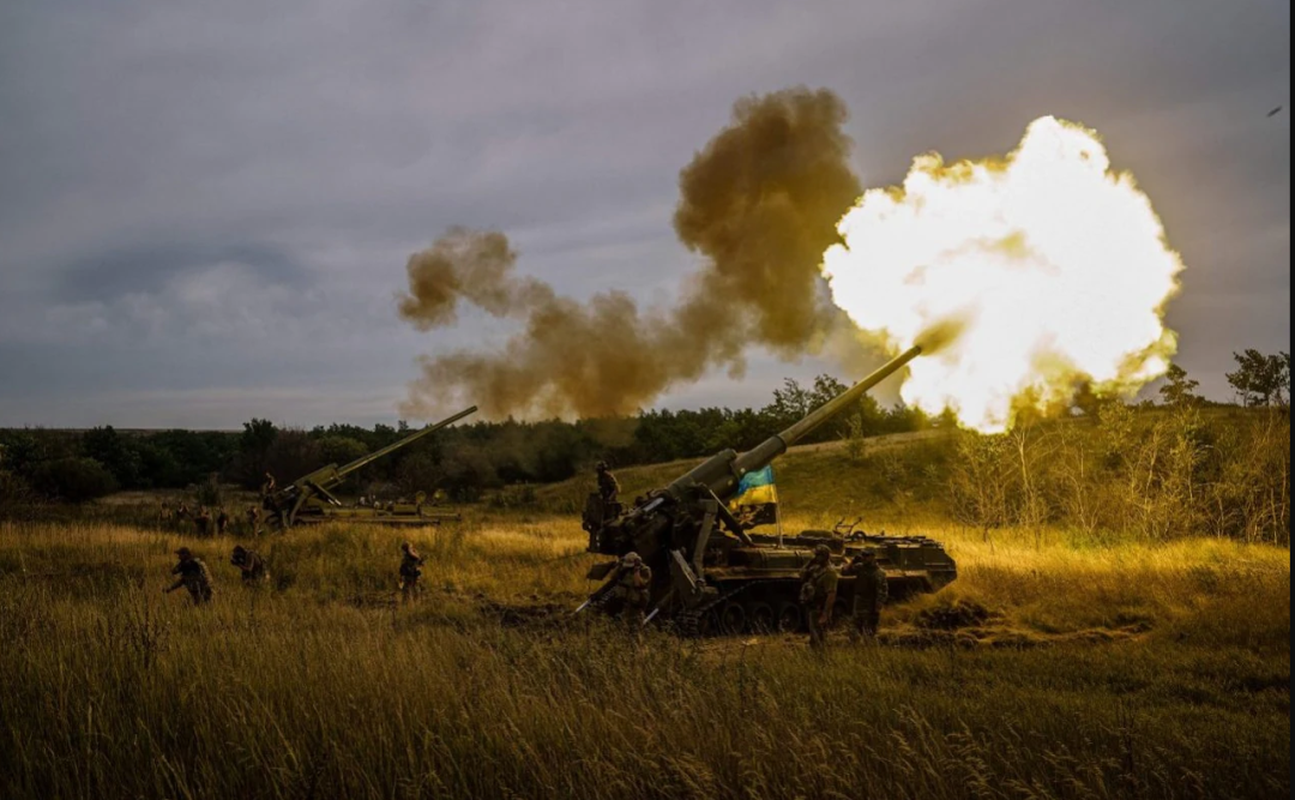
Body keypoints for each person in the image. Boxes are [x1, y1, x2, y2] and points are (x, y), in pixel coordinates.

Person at [842, 550, 888, 641]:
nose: (864, 558)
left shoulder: (879, 573)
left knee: (869, 631)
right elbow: (844, 572)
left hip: (871, 604)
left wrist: (878, 606)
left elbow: (883, 591)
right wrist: (852, 562)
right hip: (859, 602)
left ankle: (869, 649)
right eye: (863, 555)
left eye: (867, 556)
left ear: (873, 557)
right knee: (854, 628)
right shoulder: (860, 568)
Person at [799, 544, 838, 649]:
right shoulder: (816, 569)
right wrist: (809, 563)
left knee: (820, 639)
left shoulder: (830, 573)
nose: (816, 558)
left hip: (820, 609)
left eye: (818, 556)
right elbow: (801, 575)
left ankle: (822, 660)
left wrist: (825, 614)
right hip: (813, 607)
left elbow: (831, 594)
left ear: (824, 557)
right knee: (814, 639)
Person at [611, 551, 652, 634]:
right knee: (622, 628)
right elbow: (613, 577)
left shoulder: (645, 571)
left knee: (635, 630)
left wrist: (636, 570)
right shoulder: (625, 570)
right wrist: (619, 565)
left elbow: (638, 583)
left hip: (636, 605)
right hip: (626, 603)